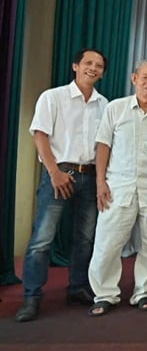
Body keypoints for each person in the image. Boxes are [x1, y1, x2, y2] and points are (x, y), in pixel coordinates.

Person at [15, 49, 108, 322]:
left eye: (99, 65)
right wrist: (54, 171)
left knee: (85, 238)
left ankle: (78, 287)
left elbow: (104, 146)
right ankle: (31, 297)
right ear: (75, 66)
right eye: (88, 63)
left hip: (90, 177)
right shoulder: (52, 97)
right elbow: (40, 135)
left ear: (103, 72)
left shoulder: (105, 104)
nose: (93, 68)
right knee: (42, 239)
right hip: (59, 174)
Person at [88, 60, 147, 316]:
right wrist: (100, 181)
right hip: (118, 186)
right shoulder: (116, 108)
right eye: (145, 77)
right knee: (107, 242)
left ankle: (144, 291)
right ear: (134, 78)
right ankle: (105, 294)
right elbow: (103, 145)